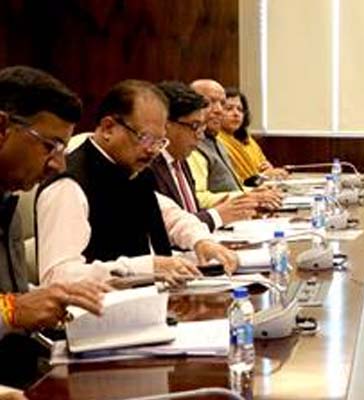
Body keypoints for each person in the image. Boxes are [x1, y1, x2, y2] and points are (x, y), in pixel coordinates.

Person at [35, 80, 239, 286]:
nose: (153, 151)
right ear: (108, 128)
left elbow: (171, 216)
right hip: (105, 305)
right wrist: (146, 268)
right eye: (145, 138)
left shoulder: (131, 169)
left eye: (160, 142)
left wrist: (202, 241)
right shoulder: (68, 185)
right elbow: (58, 277)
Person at [0, 65, 111, 390]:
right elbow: (11, 308)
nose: (59, 164)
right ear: (2, 128)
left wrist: (48, 297)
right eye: (50, 146)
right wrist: (12, 310)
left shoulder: (8, 199)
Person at [150, 81, 257, 231]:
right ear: (166, 124)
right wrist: (218, 214)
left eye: (202, 127)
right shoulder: (148, 166)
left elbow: (190, 212)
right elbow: (164, 228)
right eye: (195, 126)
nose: (200, 136)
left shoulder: (180, 159)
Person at [186, 79, 282, 210]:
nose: (219, 110)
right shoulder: (191, 145)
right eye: (209, 103)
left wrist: (257, 192)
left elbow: (233, 187)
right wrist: (248, 196)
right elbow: (197, 198)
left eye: (222, 103)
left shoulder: (215, 141)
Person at [218, 87, 288, 185]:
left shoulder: (248, 140)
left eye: (240, 109)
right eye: (229, 109)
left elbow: (263, 166)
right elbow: (233, 183)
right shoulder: (217, 141)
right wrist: (263, 176)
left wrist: (269, 170)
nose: (236, 114)